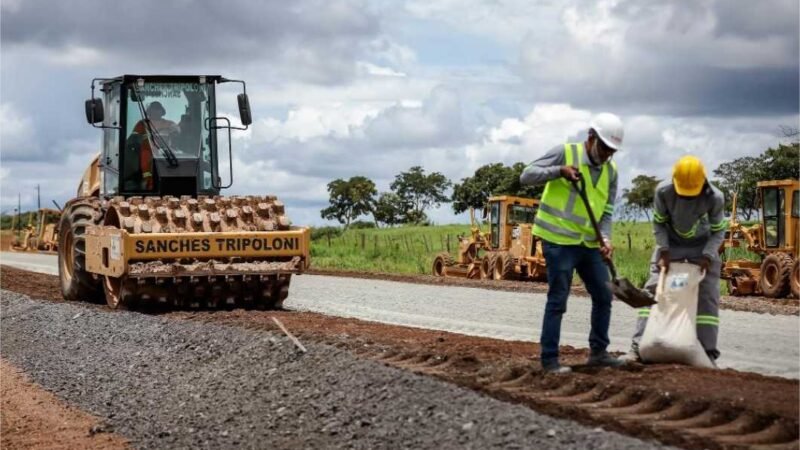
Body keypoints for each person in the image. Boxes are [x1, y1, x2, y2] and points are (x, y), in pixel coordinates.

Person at [520, 113, 625, 373]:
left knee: (604, 294)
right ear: (591, 138)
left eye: (611, 151)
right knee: (559, 298)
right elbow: (526, 175)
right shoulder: (565, 153)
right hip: (558, 241)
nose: (607, 155)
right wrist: (559, 171)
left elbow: (607, 212)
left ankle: (599, 353)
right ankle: (549, 360)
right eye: (604, 148)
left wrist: (606, 238)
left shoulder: (611, 171)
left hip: (588, 244)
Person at [624, 155, 726, 365]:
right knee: (653, 290)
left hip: (702, 248)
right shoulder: (663, 191)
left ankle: (707, 354)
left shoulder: (715, 197)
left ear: (703, 182)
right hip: (670, 245)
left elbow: (718, 231)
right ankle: (636, 348)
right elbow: (659, 224)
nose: (687, 198)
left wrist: (708, 255)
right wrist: (663, 250)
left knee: (707, 297)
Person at [130, 101, 179, 190]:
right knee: (147, 170)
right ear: (149, 111)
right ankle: (147, 186)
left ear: (162, 111)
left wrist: (175, 130)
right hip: (147, 151)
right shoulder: (142, 124)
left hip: (167, 153)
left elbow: (178, 132)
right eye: (154, 109)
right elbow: (133, 139)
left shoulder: (169, 124)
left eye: (158, 109)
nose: (156, 111)